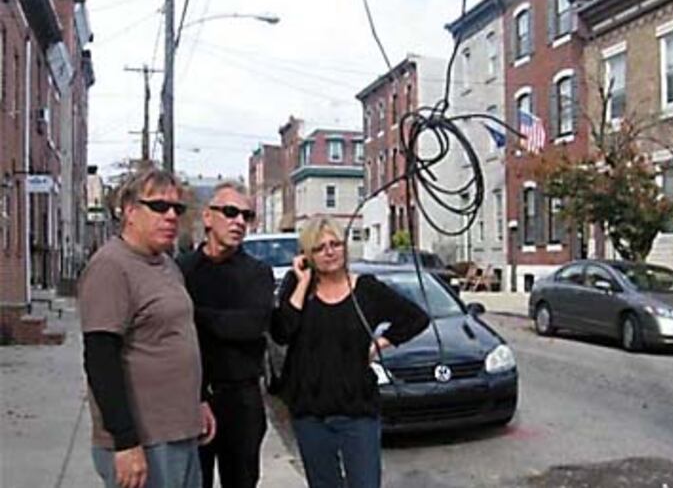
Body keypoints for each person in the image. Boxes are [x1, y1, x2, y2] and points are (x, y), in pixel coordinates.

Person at [79, 167, 215, 488]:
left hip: (181, 430)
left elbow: (176, 337)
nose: (170, 216)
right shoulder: (111, 267)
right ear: (130, 211)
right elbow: (100, 359)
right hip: (146, 439)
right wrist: (125, 442)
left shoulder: (166, 264)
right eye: (158, 207)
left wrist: (198, 400)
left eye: (177, 209)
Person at [272, 216, 430, 488]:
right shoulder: (298, 287)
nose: (330, 252)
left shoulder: (367, 289)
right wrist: (301, 282)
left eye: (335, 243)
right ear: (307, 255)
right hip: (310, 412)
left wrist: (381, 342)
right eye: (320, 248)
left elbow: (416, 318)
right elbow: (281, 332)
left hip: (357, 410)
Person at [178, 182, 274, 488]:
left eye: (246, 216)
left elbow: (251, 327)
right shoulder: (181, 270)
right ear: (208, 217)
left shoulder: (257, 272)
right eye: (230, 212)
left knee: (242, 480)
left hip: (241, 398)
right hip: (193, 396)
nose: (239, 222)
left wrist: (195, 314)